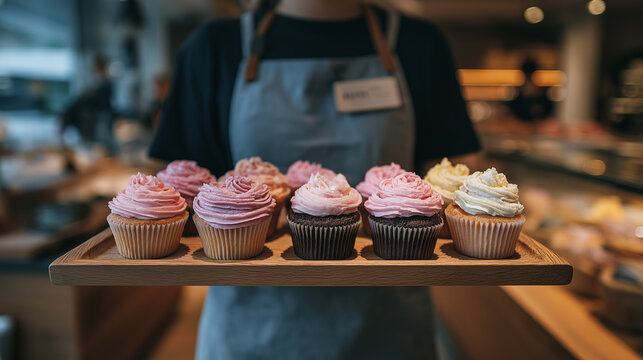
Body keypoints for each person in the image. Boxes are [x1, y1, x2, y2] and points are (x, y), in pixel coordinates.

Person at [150, 0, 480, 358]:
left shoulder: (419, 42)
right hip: (251, 327)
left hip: (388, 326)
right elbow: (177, 187)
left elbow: (457, 177)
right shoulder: (215, 46)